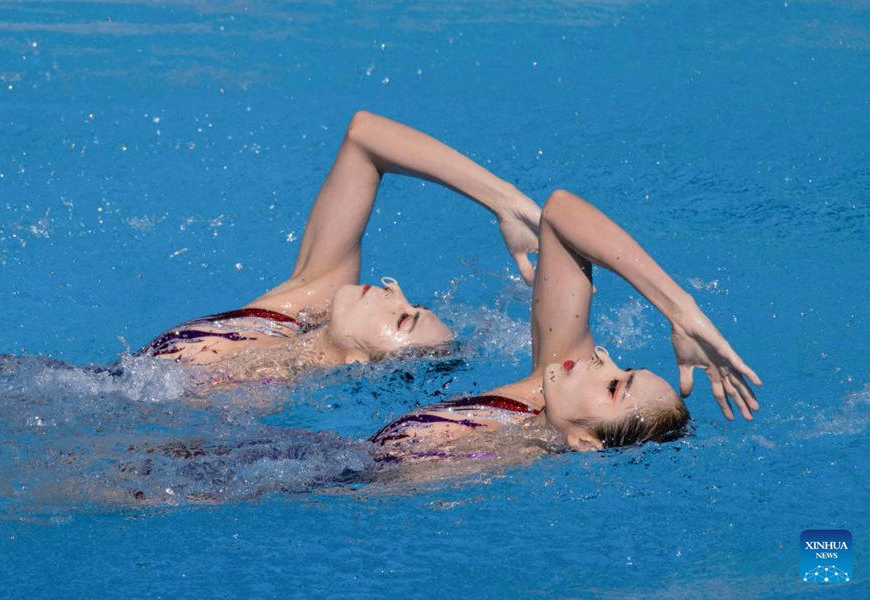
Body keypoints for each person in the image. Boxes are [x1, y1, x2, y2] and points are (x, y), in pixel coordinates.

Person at [137, 111, 542, 382]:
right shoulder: (305, 303)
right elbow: (365, 136)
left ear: (360, 364)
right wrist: (504, 202)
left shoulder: (250, 401)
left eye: (403, 319)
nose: (395, 290)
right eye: (412, 303)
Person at [370, 189, 762, 460]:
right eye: (624, 368)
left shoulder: (489, 473)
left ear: (586, 443)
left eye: (614, 386)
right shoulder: (549, 379)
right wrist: (680, 310)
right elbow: (560, 212)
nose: (603, 358)